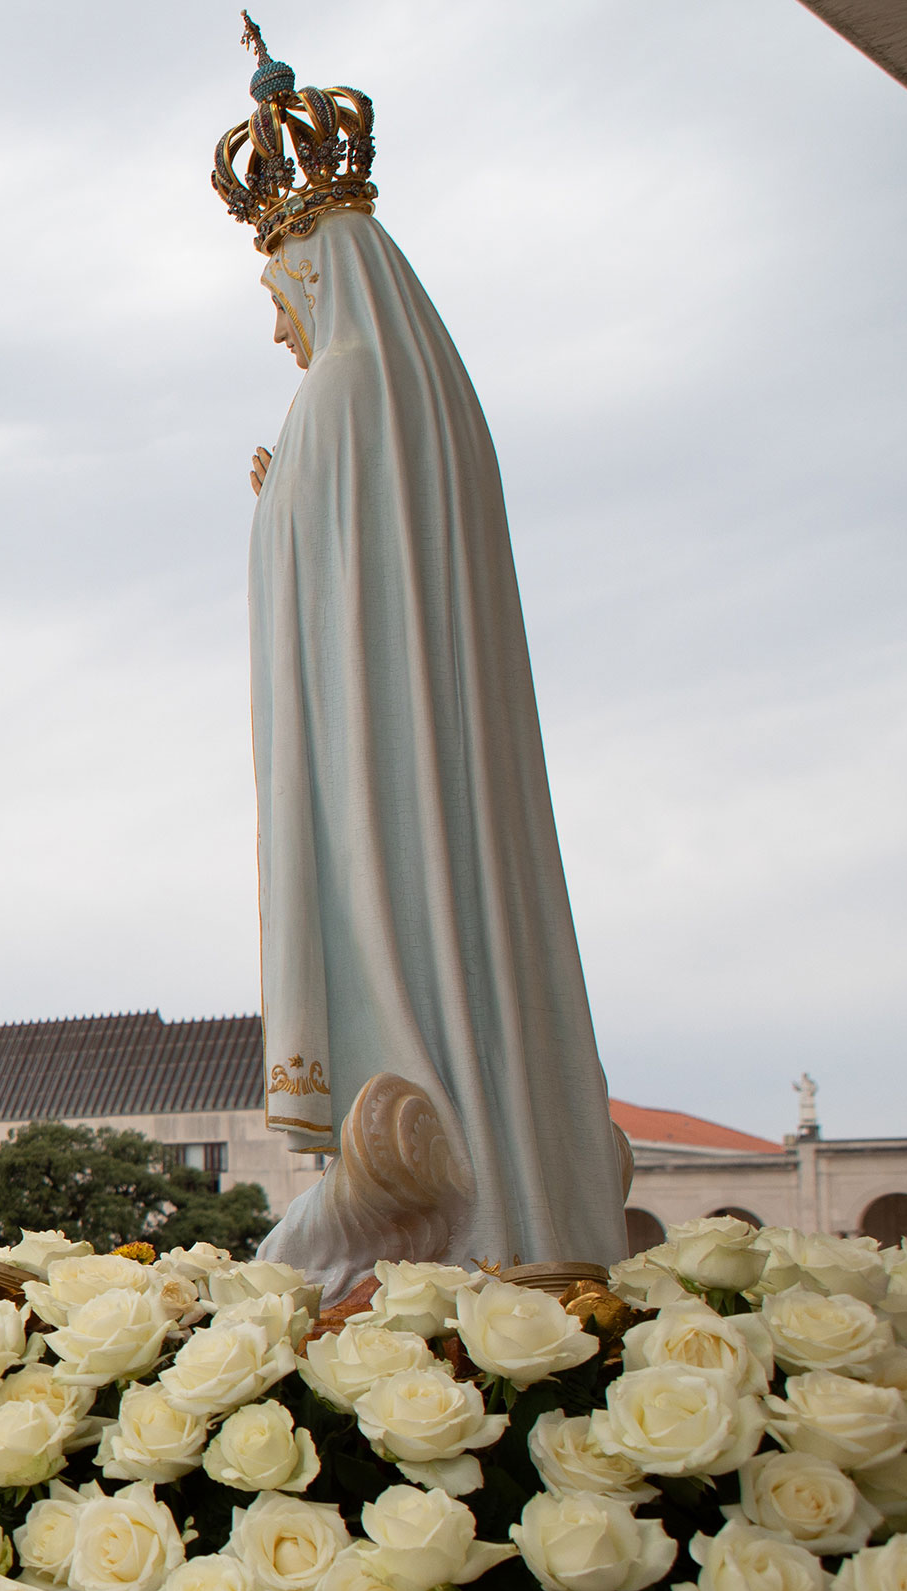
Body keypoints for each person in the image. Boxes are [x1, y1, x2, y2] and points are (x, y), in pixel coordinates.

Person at [220, 24, 623, 1290]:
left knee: (397, 925)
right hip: (447, 746)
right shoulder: (437, 399)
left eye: (282, 295)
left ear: (314, 275)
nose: (282, 329)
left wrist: (275, 504)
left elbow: (314, 587)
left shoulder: (337, 391)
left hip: (375, 764)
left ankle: (426, 1183)